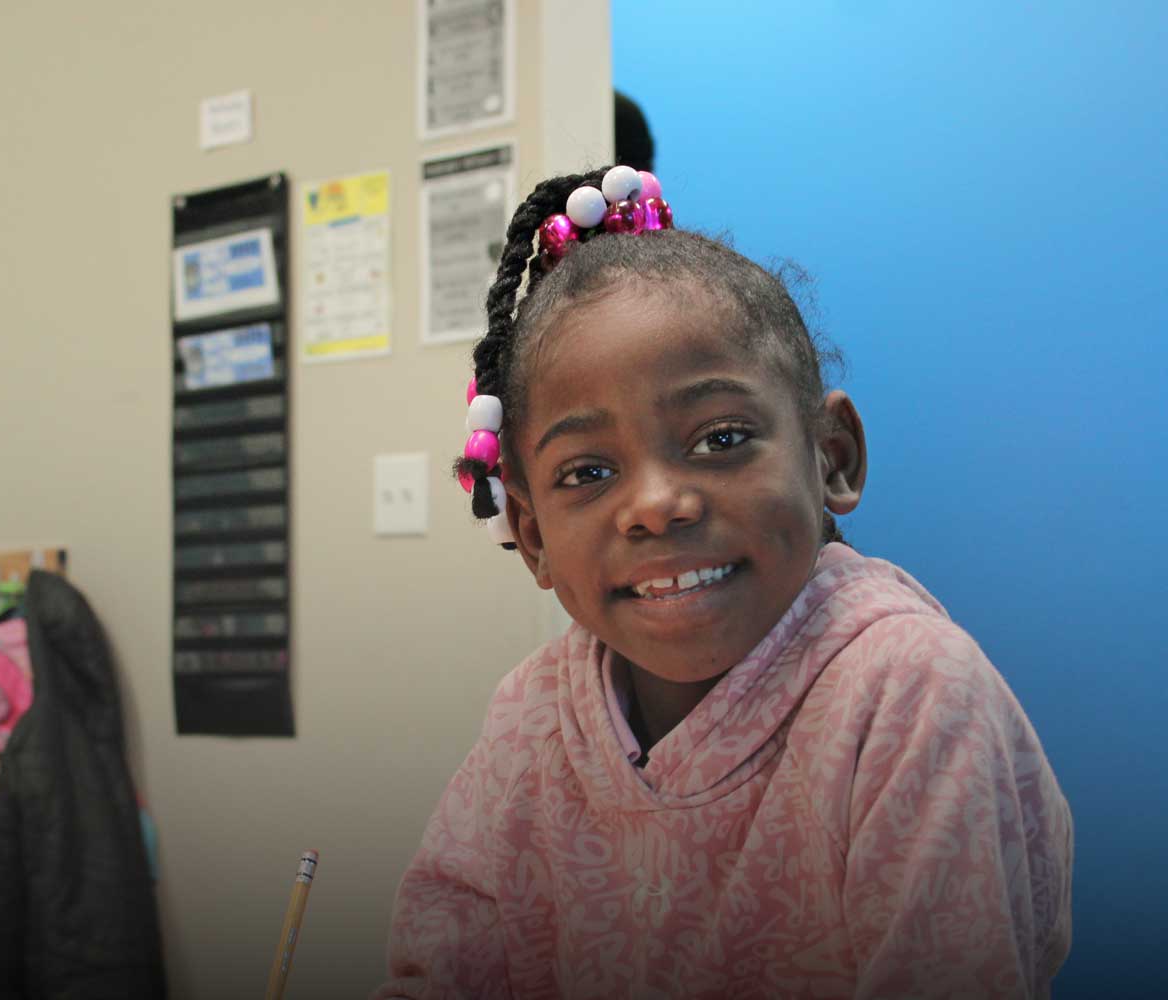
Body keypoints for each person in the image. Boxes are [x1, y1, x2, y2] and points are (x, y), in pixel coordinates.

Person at [375, 165, 1073, 999]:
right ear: (531, 538)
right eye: (588, 471)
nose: (658, 504)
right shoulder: (531, 719)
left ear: (832, 457)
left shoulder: (908, 697)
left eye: (721, 438)